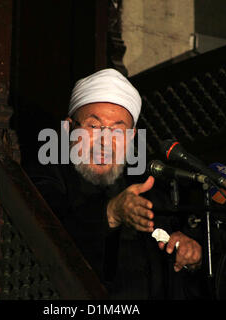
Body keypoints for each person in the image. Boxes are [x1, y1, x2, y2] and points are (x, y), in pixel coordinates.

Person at [23, 68, 206, 299]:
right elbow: (46, 239)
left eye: (118, 131)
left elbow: (176, 256)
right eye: (94, 127)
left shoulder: (145, 185)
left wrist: (191, 256)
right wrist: (111, 212)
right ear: (68, 128)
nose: (105, 142)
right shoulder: (45, 174)